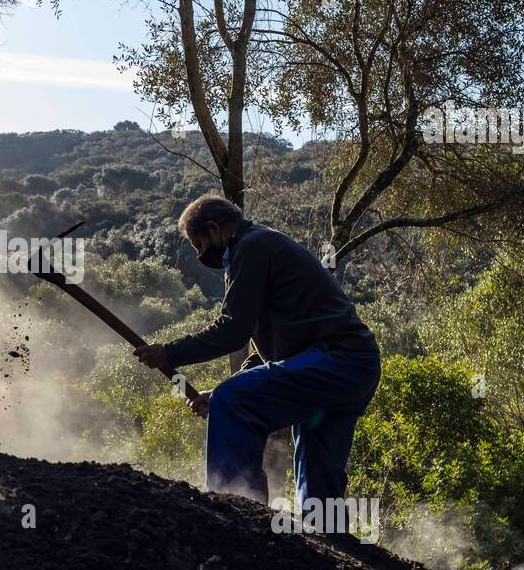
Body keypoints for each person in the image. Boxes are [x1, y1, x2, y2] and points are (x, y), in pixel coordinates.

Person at [133, 195, 380, 530]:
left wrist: (169, 354)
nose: (199, 253)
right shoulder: (263, 245)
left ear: (214, 228)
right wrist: (219, 390)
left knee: (234, 402)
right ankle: (332, 544)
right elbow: (266, 351)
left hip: (335, 359)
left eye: (198, 243)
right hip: (355, 366)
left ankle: (239, 515)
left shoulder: (250, 247)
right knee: (317, 457)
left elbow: (232, 330)